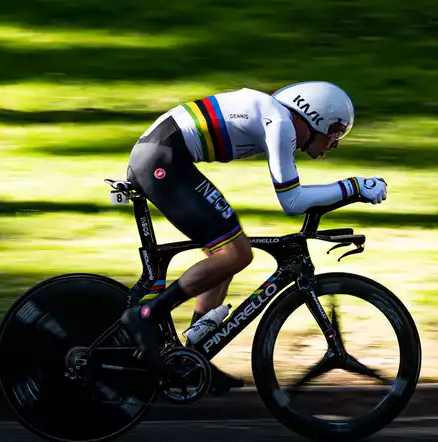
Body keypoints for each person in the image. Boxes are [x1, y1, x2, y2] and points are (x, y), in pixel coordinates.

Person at [119, 81, 388, 393]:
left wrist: (348, 192)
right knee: (237, 253)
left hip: (162, 156)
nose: (335, 142)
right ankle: (147, 314)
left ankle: (194, 356)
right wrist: (353, 187)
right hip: (162, 160)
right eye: (335, 131)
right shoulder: (281, 123)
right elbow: (291, 201)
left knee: (226, 254)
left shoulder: (275, 118)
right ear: (313, 116)